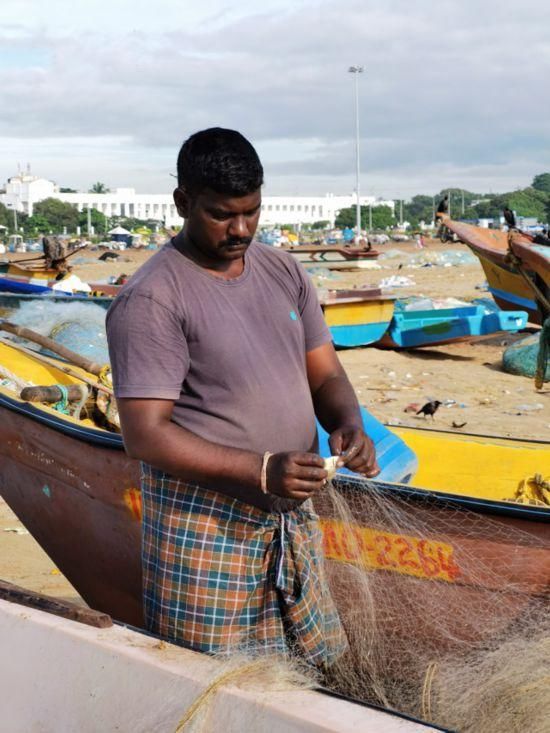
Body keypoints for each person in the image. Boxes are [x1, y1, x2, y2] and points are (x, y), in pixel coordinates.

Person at [106, 127, 379, 667]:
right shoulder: (154, 298)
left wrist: (348, 422)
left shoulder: (282, 270)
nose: (241, 229)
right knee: (215, 681)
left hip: (290, 517)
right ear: (183, 202)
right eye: (221, 214)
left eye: (252, 211)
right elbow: (145, 435)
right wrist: (260, 470)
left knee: (307, 676)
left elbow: (324, 374)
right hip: (204, 529)